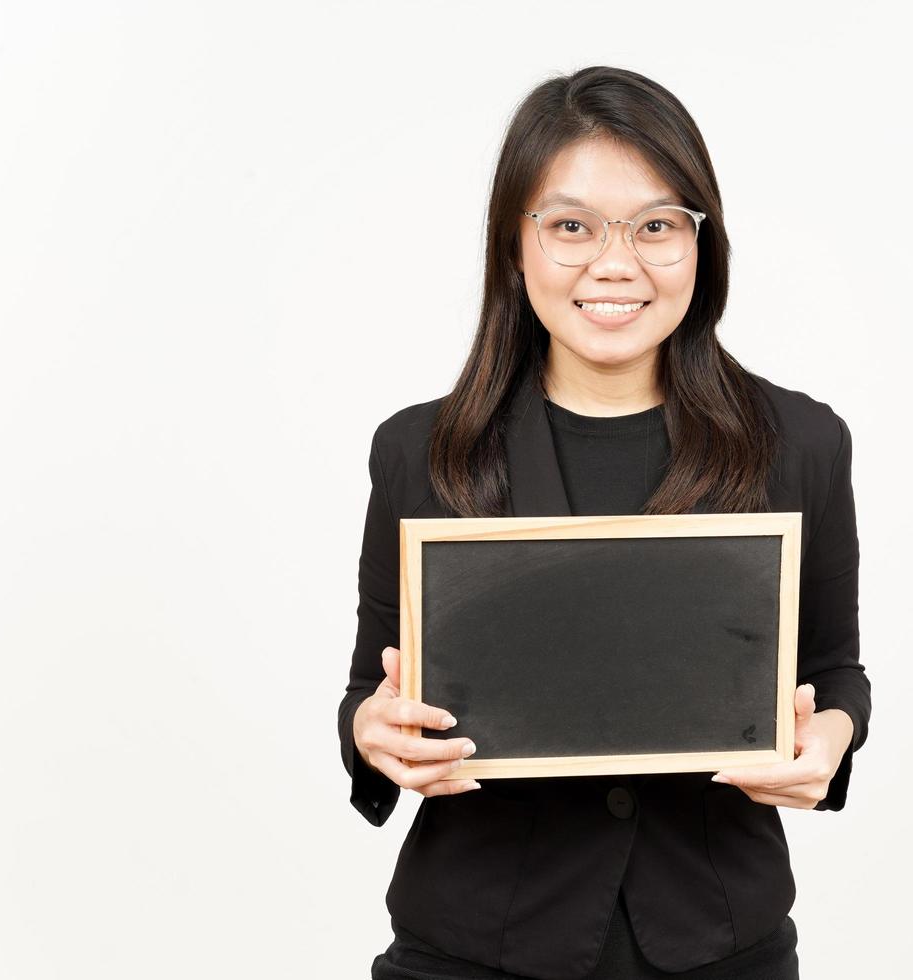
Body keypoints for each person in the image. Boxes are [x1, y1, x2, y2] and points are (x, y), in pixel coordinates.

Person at [337, 66, 872, 980]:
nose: (615, 263)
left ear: (703, 246)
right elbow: (370, 691)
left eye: (657, 226)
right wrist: (371, 734)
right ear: (517, 245)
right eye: (571, 226)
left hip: (718, 945)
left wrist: (831, 737)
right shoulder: (421, 450)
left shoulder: (800, 443)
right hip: (476, 947)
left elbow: (831, 671)